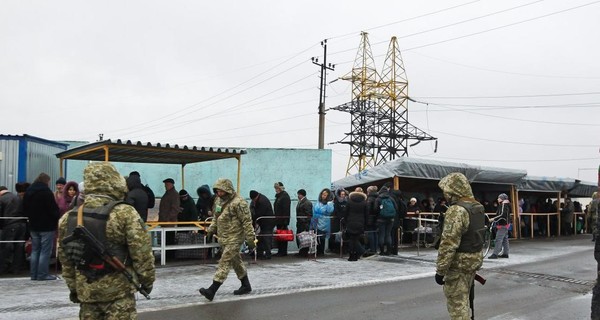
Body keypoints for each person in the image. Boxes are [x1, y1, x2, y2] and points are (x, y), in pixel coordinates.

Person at [57, 162, 155, 319]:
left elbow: (65, 259)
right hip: (119, 294)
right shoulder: (124, 213)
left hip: (87, 293)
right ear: (114, 181)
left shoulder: (69, 218)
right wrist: (147, 281)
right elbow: (142, 253)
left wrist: (74, 287)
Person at [435, 172, 485, 320]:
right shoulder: (477, 206)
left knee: (458, 305)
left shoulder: (457, 210)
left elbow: (448, 244)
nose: (446, 195)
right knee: (465, 300)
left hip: (458, 264)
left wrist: (441, 271)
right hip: (473, 259)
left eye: (447, 191)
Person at [199, 178, 256, 301]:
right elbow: (216, 217)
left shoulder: (239, 203)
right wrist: (211, 230)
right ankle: (246, 285)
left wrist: (251, 239)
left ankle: (212, 290)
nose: (219, 193)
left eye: (221, 191)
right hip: (224, 237)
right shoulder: (219, 201)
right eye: (217, 191)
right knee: (236, 262)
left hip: (235, 238)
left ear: (228, 190)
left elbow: (247, 222)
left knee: (224, 262)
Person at [22, 173, 60, 280]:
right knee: (45, 251)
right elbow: (52, 209)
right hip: (47, 226)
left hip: (33, 225)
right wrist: (57, 217)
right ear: (46, 181)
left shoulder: (29, 191)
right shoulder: (46, 192)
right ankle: (42, 274)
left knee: (35, 250)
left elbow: (24, 208)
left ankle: (33, 275)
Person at [0, 186, 27, 274]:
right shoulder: (18, 198)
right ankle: (16, 268)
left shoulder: (2, 199)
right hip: (22, 225)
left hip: (10, 225)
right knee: (19, 247)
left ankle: (2, 268)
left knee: (5, 247)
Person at [343, 190, 367, 261]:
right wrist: (365, 224)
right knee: (356, 239)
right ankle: (357, 255)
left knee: (351, 239)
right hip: (360, 223)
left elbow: (345, 213)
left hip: (350, 222)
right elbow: (366, 214)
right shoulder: (364, 203)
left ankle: (351, 255)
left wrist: (345, 222)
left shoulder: (349, 202)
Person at [249, 190, 274, 260]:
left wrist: (254, 219)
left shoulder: (262, 201)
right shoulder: (260, 199)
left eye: (253, 199)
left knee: (266, 238)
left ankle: (268, 254)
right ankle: (260, 253)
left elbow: (259, 213)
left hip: (267, 223)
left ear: (255, 197)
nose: (253, 201)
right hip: (263, 223)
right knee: (261, 238)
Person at [158, 178, 180, 256]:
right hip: (165, 221)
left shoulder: (174, 194)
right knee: (165, 239)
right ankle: (167, 255)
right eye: (165, 184)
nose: (165, 186)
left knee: (169, 239)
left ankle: (170, 255)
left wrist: (167, 218)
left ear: (171, 184)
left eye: (167, 184)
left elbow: (175, 209)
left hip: (169, 222)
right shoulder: (168, 193)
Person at [374, 186, 397, 255]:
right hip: (390, 219)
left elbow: (375, 209)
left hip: (381, 219)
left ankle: (381, 251)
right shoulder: (391, 198)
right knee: (388, 234)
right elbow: (396, 207)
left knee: (381, 235)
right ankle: (388, 251)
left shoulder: (378, 199)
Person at [312, 188, 334, 256]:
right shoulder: (318, 202)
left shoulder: (329, 203)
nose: (323, 196)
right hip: (316, 221)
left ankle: (321, 251)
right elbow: (314, 210)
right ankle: (317, 250)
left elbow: (330, 211)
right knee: (317, 236)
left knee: (322, 237)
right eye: (323, 194)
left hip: (325, 222)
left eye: (325, 195)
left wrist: (329, 204)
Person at [489, 193, 511, 259]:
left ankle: (495, 254)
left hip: (502, 224)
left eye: (499, 198)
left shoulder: (503, 205)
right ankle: (505, 253)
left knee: (498, 239)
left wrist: (494, 219)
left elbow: (502, 214)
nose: (497, 199)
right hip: (506, 224)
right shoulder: (506, 204)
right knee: (505, 239)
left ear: (502, 199)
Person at [273, 182, 291, 257]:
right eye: (275, 188)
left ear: (280, 188)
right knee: (280, 235)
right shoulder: (279, 197)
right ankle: (280, 250)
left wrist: (285, 221)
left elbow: (286, 210)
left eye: (277, 188)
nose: (276, 190)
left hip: (282, 220)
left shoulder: (284, 196)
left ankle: (283, 251)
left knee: (283, 236)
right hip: (279, 220)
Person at [295, 189, 313, 257]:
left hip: (304, 224)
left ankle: (304, 252)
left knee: (304, 238)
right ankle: (301, 251)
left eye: (299, 194)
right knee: (299, 238)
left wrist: (302, 220)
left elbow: (309, 215)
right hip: (300, 223)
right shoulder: (300, 202)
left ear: (301, 194)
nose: (298, 196)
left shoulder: (307, 203)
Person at [330, 188, 348, 254]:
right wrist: (341, 218)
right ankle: (337, 248)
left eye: (344, 194)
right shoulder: (337, 202)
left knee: (344, 235)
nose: (343, 195)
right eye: (342, 194)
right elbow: (336, 211)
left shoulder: (347, 202)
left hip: (345, 220)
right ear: (339, 195)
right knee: (337, 235)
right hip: (338, 221)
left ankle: (344, 248)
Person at [365, 186, 379, 255]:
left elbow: (368, 210)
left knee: (370, 233)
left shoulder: (369, 199)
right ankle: (375, 248)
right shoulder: (378, 197)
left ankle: (372, 249)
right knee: (375, 233)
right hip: (377, 218)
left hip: (370, 219)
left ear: (369, 191)